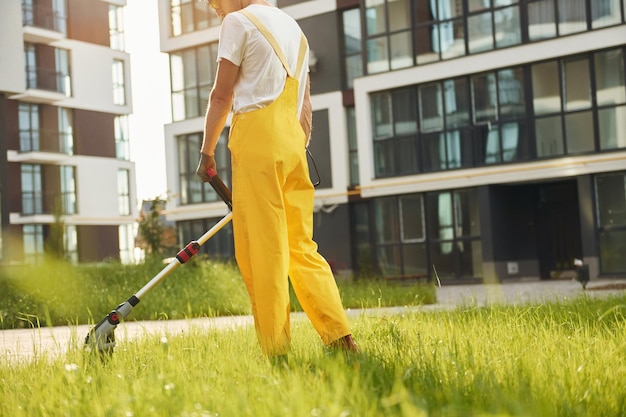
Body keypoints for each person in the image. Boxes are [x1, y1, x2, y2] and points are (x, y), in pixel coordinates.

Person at [195, 0, 358, 360]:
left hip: (258, 143)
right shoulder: (293, 29)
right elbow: (305, 106)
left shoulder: (238, 22)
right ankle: (341, 338)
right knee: (301, 246)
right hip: (292, 145)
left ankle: (276, 353)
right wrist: (294, 149)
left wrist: (206, 152)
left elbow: (221, 95)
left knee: (263, 251)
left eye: (214, 0)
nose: (213, 7)